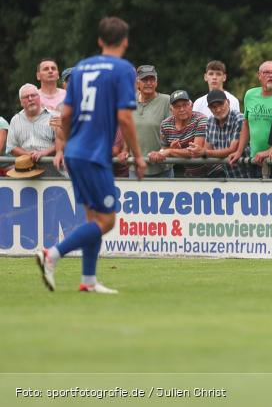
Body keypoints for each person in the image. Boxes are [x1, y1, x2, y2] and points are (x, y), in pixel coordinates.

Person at [37, 16, 146, 294]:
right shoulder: (123, 69)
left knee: (93, 219)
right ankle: (53, 254)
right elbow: (124, 116)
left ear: (99, 40)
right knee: (107, 221)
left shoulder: (82, 67)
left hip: (75, 151)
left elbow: (67, 114)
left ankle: (88, 280)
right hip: (95, 154)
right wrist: (138, 155)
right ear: (125, 41)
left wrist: (67, 145)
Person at [151, 90, 207, 178]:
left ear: (191, 105)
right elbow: (164, 150)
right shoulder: (165, 124)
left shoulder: (201, 119)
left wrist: (171, 151)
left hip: (212, 172)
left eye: (185, 105)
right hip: (189, 174)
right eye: (177, 106)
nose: (182, 109)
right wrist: (160, 153)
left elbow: (195, 152)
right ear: (171, 109)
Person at [7, 84, 59, 176]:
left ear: (39, 97)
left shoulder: (54, 117)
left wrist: (43, 153)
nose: (30, 99)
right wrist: (28, 155)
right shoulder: (15, 120)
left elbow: (63, 143)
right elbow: (11, 147)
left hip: (52, 172)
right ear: (21, 102)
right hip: (24, 172)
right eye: (26, 97)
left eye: (33, 95)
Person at [131, 65, 172, 178]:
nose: (149, 83)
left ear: (156, 82)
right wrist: (124, 150)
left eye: (152, 79)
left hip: (162, 168)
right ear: (137, 82)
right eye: (145, 79)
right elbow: (125, 130)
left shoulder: (167, 100)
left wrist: (162, 152)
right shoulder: (128, 100)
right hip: (135, 168)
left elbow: (174, 132)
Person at [245, 60, 272, 176]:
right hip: (255, 159)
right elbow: (246, 124)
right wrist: (238, 151)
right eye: (266, 72)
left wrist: (267, 153)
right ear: (259, 76)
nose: (271, 75)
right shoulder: (250, 95)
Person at [204, 89, 248, 178]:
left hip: (245, 176)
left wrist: (203, 152)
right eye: (214, 107)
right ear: (209, 108)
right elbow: (207, 149)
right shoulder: (210, 121)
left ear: (228, 102)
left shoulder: (239, 118)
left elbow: (232, 149)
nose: (218, 109)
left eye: (221, 104)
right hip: (223, 179)